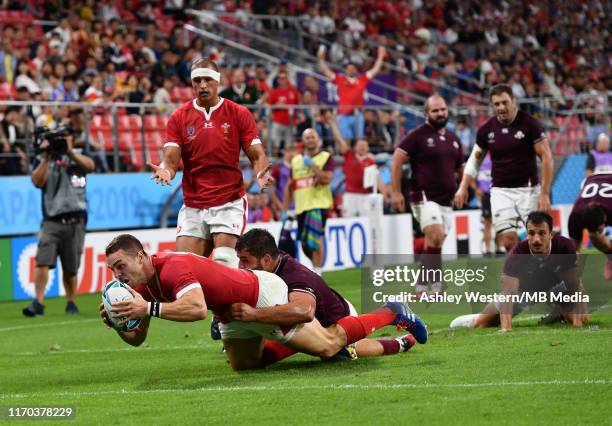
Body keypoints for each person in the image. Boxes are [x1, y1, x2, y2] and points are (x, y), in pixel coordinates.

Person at [101, 234, 427, 370]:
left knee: (328, 345)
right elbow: (137, 338)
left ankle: (390, 311)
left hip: (260, 294)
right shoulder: (140, 289)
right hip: (233, 312)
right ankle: (396, 342)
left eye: (121, 266)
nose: (118, 274)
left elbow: (198, 309)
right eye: (113, 270)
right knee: (245, 366)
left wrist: (149, 309)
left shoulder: (172, 266)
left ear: (142, 256)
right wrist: (118, 323)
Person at [148, 58, 274, 267]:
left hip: (228, 201)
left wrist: (261, 173)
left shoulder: (238, 113)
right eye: (197, 80)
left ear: (218, 81)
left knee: (225, 263)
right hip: (194, 203)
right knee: (185, 269)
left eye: (207, 79)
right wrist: (165, 171)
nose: (203, 85)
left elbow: (257, 155)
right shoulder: (179, 117)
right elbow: (170, 161)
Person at [234, 228, 424, 364]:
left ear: (266, 259)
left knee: (333, 350)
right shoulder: (271, 263)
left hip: (338, 319)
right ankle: (401, 343)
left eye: (245, 261)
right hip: (304, 323)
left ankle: (391, 313)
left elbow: (304, 311)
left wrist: (253, 316)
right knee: (258, 359)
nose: (240, 267)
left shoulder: (294, 277)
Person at [455, 84, 554, 252]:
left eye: (504, 102)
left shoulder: (530, 124)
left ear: (513, 101)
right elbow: (474, 160)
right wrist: (463, 186)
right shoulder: (486, 130)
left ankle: (543, 273)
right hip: (501, 192)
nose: (501, 107)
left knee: (538, 240)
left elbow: (547, 157)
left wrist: (544, 193)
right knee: (508, 241)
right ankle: (522, 276)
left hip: (528, 191)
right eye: (497, 104)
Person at [450, 211, 589, 331]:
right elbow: (508, 294)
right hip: (524, 291)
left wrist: (577, 322)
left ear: (551, 234)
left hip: (557, 288)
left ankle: (559, 311)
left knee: (582, 318)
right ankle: (474, 319)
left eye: (542, 233)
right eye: (531, 233)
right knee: (481, 324)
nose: (536, 239)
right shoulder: (517, 254)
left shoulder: (564, 247)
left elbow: (573, 285)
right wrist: (506, 328)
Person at [391, 95, 464, 295]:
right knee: (436, 234)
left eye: (443, 109)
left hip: (446, 199)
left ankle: (422, 286)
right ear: (426, 114)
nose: (440, 113)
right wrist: (396, 192)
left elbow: (460, 167)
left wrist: (464, 188)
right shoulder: (418, 135)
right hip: (423, 194)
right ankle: (437, 286)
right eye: (435, 110)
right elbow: (397, 159)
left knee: (435, 242)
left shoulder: (453, 139)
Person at [22, 132, 95, 316]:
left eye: (63, 138)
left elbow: (90, 166)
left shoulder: (78, 154)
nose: (59, 143)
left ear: (70, 139)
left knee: (71, 267)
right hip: (51, 220)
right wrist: (46, 157)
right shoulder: (42, 159)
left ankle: (71, 301)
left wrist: (69, 152)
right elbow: (37, 181)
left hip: (75, 219)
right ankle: (38, 302)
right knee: (42, 261)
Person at [284, 128, 334, 273]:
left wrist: (312, 165)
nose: (310, 139)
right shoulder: (295, 161)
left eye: (313, 137)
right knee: (305, 244)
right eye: (307, 137)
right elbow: (290, 186)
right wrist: (286, 210)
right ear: (303, 141)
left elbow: (326, 179)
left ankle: (318, 274)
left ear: (317, 139)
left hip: (318, 205)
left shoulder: (326, 157)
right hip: (301, 207)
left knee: (315, 240)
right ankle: (315, 268)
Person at [317, 45, 386, 141]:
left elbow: (375, 70)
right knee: (346, 140)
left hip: (358, 115)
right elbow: (326, 72)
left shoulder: (362, 79)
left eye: (352, 68)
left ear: (356, 70)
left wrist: (380, 56)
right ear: (346, 70)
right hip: (343, 115)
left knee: (359, 140)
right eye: (348, 68)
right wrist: (321, 59)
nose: (350, 70)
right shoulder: (340, 79)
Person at [327, 112, 377, 218]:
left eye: (364, 145)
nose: (362, 147)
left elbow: (375, 180)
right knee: (348, 221)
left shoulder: (371, 161)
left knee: (366, 221)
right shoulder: (349, 155)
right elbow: (339, 140)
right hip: (350, 195)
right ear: (355, 148)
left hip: (366, 196)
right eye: (360, 145)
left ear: (368, 148)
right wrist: (333, 124)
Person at [567, 172, 612, 278]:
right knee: (594, 238)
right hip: (591, 180)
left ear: (605, 218)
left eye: (599, 229)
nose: (599, 232)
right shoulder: (575, 216)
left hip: (605, 179)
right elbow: (574, 250)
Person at [265, 69, 301, 153]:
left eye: (284, 78)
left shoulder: (293, 91)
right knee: (275, 145)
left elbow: (299, 105)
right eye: (280, 78)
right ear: (278, 80)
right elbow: (269, 107)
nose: (282, 80)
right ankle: (274, 165)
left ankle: (287, 165)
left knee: (289, 146)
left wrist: (299, 116)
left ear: (287, 78)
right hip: (277, 121)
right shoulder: (274, 92)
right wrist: (276, 106)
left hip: (290, 121)